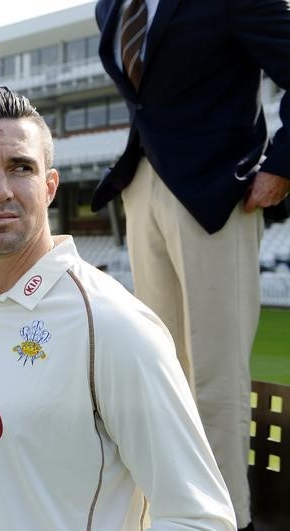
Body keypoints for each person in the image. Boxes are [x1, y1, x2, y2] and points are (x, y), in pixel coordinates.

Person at [0, 87, 237, 531]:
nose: (1, 190)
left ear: (49, 186)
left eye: (20, 167)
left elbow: (200, 519)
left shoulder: (112, 325)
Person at [92, 2, 290, 528]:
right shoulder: (111, 4)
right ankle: (172, 514)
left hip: (219, 192)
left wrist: (282, 164)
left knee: (215, 376)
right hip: (140, 186)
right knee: (161, 373)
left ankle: (229, 520)